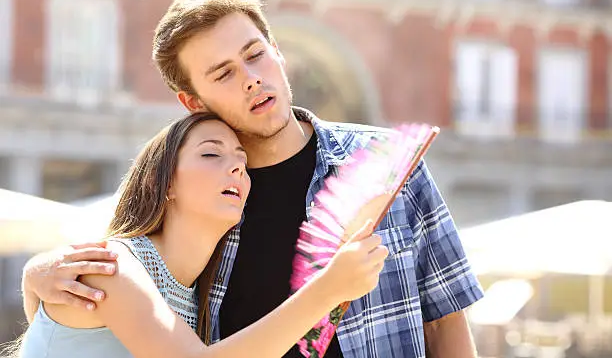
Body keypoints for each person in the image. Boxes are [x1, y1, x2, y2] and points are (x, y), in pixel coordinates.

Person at [20, 0, 484, 358]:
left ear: (277, 50)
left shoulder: (388, 164)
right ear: (192, 101)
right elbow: (121, 268)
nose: (252, 79)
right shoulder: (205, 202)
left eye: (255, 54)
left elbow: (447, 322)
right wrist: (40, 273)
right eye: (223, 73)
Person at [10, 112, 387, 358]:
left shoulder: (200, 299)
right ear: (163, 181)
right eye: (212, 155)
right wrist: (329, 290)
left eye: (242, 161)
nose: (237, 169)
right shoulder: (111, 266)